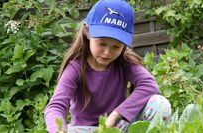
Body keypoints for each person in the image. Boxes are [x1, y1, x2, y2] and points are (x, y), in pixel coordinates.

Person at [44, 0, 171, 132]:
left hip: (117, 128)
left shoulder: (124, 62)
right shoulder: (75, 68)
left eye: (116, 46)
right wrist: (59, 130)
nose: (107, 52)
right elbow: (56, 106)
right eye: (102, 43)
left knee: (160, 104)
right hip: (86, 130)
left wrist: (115, 115)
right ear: (87, 32)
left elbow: (149, 85)